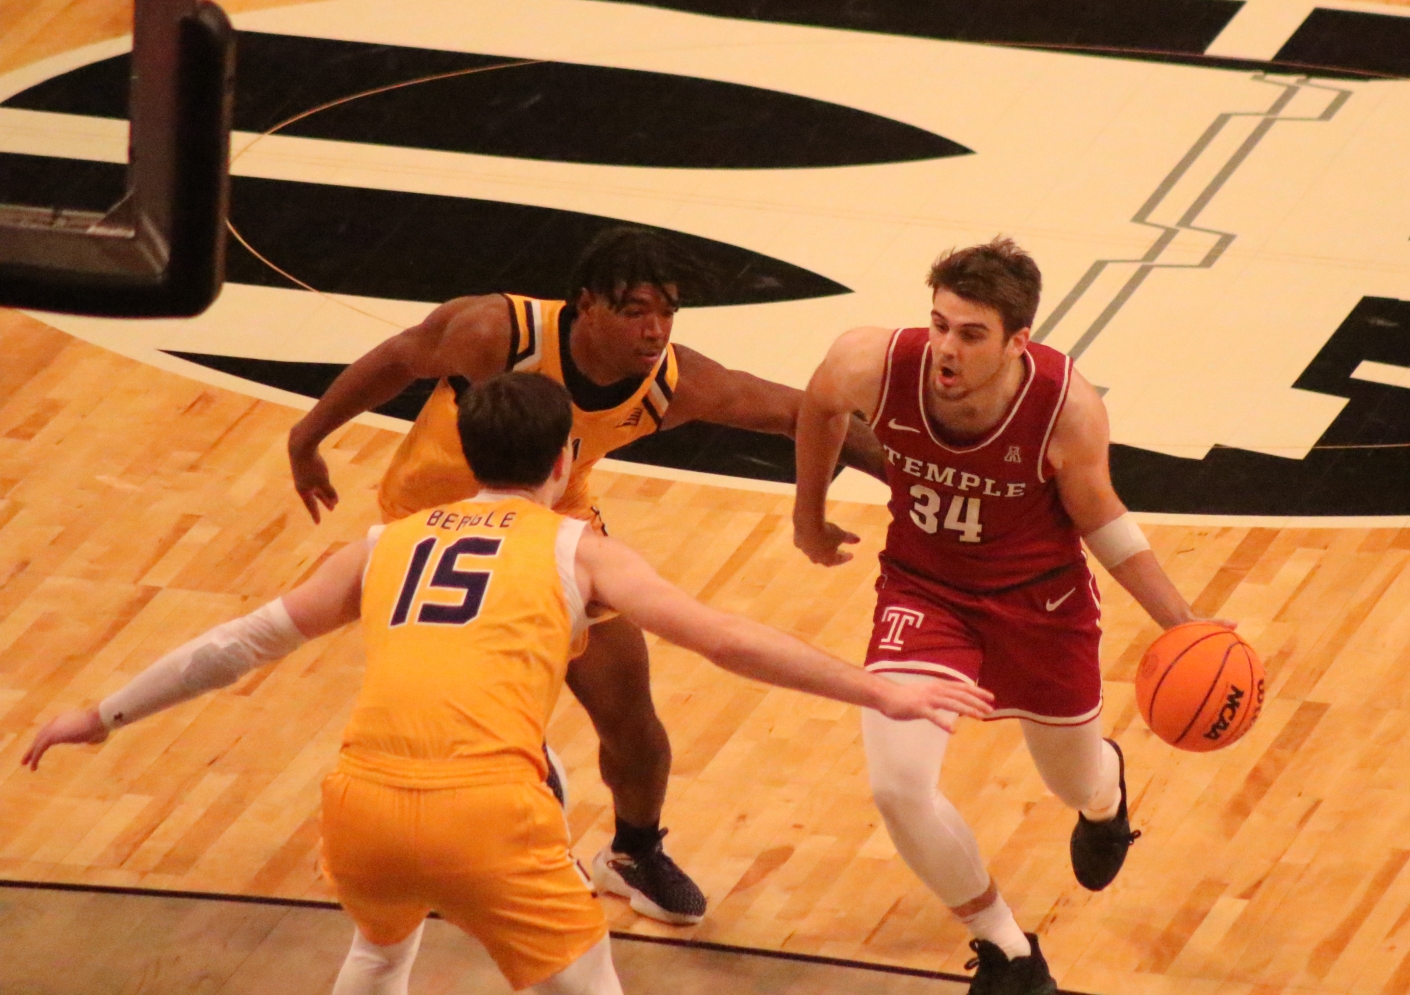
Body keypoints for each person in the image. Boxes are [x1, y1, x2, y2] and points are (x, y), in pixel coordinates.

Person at [26, 372, 990, 995]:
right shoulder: (578, 548)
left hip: (359, 809)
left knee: (379, 950)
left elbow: (235, 645)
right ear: (566, 460)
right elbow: (727, 641)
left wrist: (100, 714)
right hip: (485, 814)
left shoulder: (384, 544)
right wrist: (880, 691)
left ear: (468, 454)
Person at [286, 226, 884, 924]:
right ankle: (486, 846)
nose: (655, 330)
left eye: (667, 312)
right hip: (431, 531)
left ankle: (634, 852)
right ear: (586, 304)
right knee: (474, 715)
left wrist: (911, 483)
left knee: (630, 709)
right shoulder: (496, 334)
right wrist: (307, 437)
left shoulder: (671, 383)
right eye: (635, 311)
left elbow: (807, 412)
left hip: (552, 528)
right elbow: (399, 357)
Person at [792, 238, 1224, 995]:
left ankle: (1105, 796)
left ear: (1018, 341)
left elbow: (1101, 519)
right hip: (923, 592)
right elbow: (819, 407)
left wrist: (1183, 623)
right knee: (898, 786)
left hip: (1040, 604)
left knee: (1073, 783)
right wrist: (808, 516)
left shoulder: (1066, 408)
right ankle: (1008, 950)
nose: (945, 348)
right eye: (939, 324)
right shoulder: (870, 362)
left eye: (971, 334)